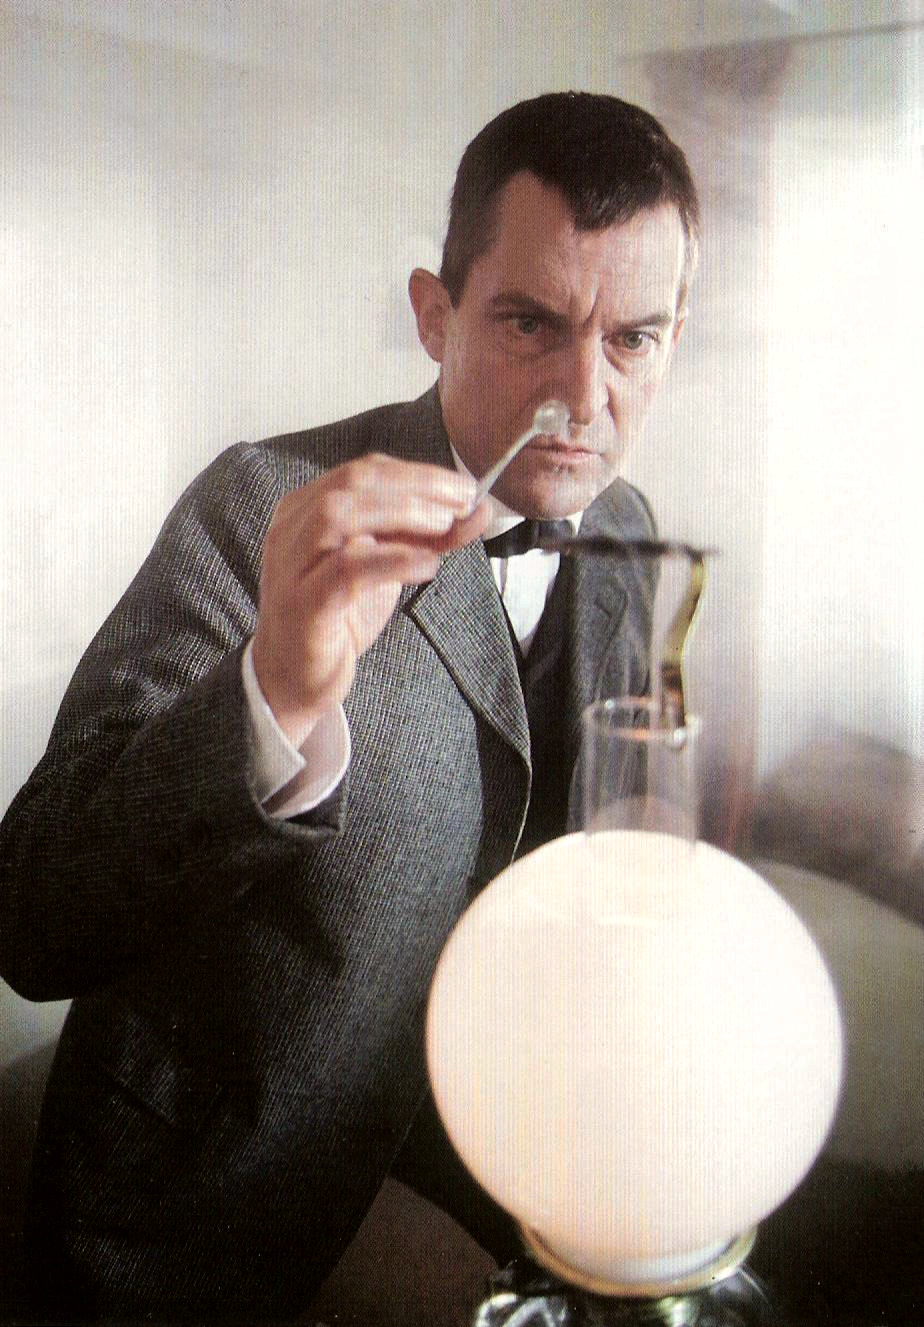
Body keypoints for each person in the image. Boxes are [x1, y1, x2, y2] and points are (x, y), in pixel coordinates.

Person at [0, 91, 699, 1321]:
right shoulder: (261, 505)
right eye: (530, 323)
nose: (583, 396)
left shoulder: (629, 530)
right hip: (218, 1204)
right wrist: (273, 692)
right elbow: (34, 917)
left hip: (491, 1150)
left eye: (633, 339)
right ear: (434, 314)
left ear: (674, 340)